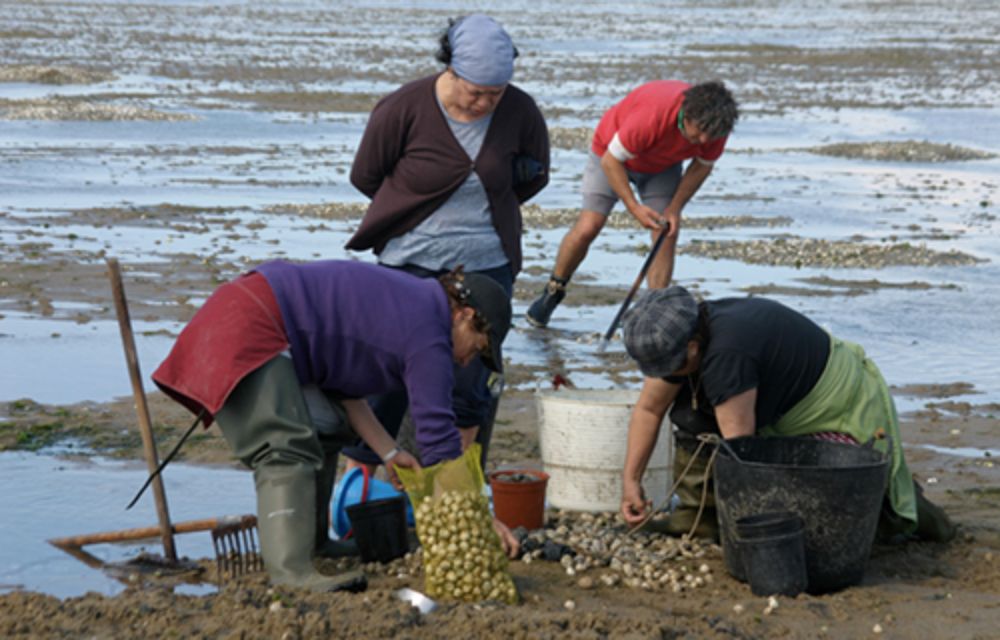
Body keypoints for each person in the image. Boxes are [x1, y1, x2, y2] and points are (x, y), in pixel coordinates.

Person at [151, 260, 520, 593]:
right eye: (477, 348)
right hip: (247, 324)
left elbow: (344, 396)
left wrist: (390, 453)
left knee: (330, 423)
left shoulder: (417, 307)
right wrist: (478, 516)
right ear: (464, 315)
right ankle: (290, 572)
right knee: (284, 444)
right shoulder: (431, 329)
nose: (468, 360)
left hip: (253, 316)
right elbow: (437, 436)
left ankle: (312, 543)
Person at [345, 14, 549, 470]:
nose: (484, 102)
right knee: (386, 379)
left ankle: (452, 488)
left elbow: (534, 175)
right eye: (475, 92)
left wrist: (487, 205)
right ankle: (361, 487)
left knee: (468, 380)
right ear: (451, 71)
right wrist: (417, 210)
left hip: (486, 265)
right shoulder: (402, 107)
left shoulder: (521, 111)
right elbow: (366, 176)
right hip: (409, 263)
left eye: (495, 94)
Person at [618, 286, 956, 543]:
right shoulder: (689, 332)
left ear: (692, 347)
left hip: (836, 404)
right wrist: (631, 481)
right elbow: (649, 410)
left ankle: (915, 512)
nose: (664, 374)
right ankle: (698, 517)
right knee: (692, 412)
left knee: (848, 509)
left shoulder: (727, 357)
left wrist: (753, 532)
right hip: (776, 399)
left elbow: (742, 452)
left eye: (670, 366)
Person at [525, 80, 738, 328]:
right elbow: (611, 161)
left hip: (661, 166)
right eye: (699, 132)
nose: (703, 140)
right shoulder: (653, 115)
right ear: (687, 114)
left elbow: (701, 166)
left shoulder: (715, 128)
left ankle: (655, 312)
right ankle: (553, 290)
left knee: (666, 232)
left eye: (710, 135)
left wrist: (675, 208)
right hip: (610, 155)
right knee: (589, 226)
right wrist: (634, 207)